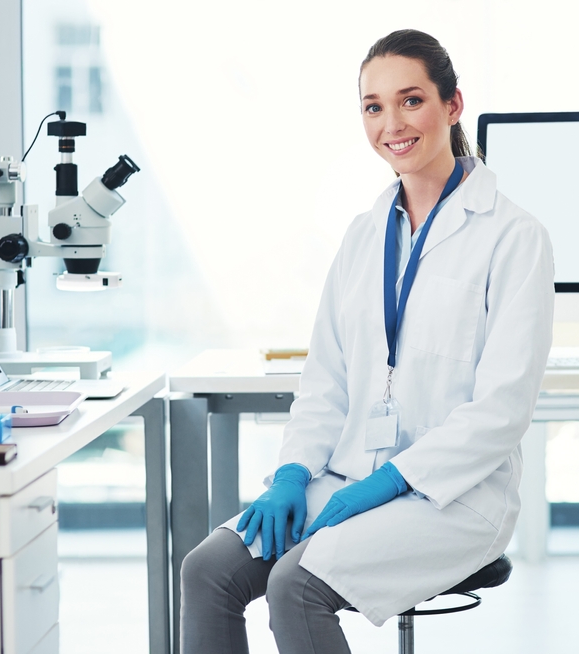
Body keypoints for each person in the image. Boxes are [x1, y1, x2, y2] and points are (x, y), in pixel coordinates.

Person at [180, 28, 555, 654]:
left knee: (296, 586)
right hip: (348, 473)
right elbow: (325, 377)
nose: (392, 123)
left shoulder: (514, 236)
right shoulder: (363, 234)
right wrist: (292, 475)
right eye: (373, 106)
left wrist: (390, 483)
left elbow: (501, 412)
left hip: (454, 495)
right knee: (208, 571)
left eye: (411, 100)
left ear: (453, 105)